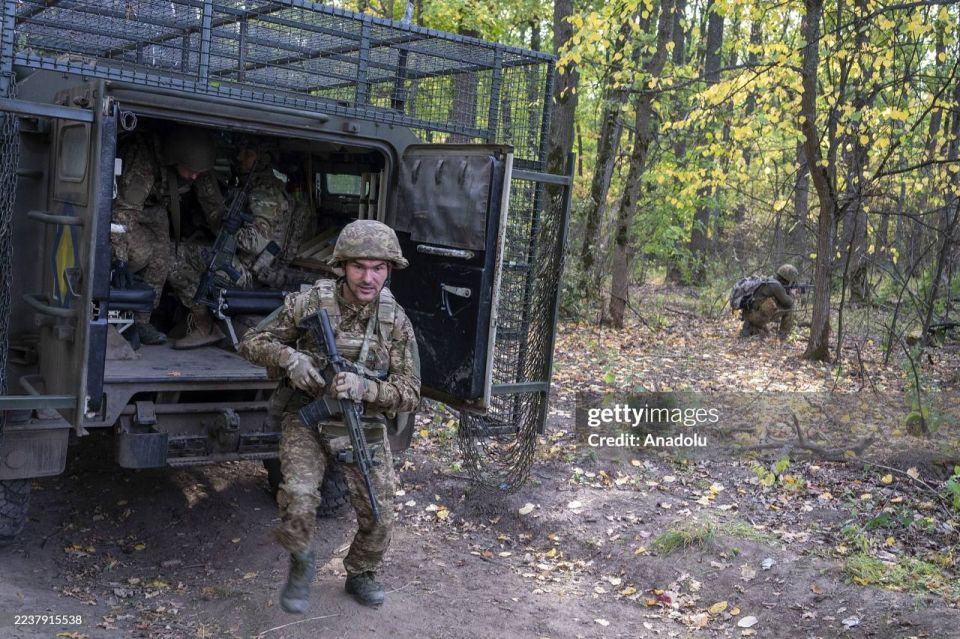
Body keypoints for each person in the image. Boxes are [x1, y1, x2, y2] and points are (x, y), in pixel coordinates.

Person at [238, 220, 420, 612]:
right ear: (342, 266)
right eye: (359, 267)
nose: (368, 277)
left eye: (378, 268)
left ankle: (361, 572)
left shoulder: (395, 321)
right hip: (307, 417)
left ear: (389, 270)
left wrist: (365, 388)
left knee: (379, 511)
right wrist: (291, 358)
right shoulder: (311, 302)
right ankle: (302, 563)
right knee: (299, 498)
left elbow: (410, 394)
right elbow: (251, 342)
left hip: (362, 423)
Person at [167, 136, 290, 349]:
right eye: (241, 151)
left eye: (248, 154)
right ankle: (200, 322)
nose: (240, 157)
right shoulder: (247, 184)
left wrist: (233, 230)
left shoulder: (266, 191)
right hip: (240, 262)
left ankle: (204, 326)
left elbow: (254, 243)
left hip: (250, 273)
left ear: (263, 159)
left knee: (169, 256)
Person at [112, 125, 223, 345]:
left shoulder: (195, 164)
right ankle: (119, 314)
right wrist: (119, 259)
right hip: (128, 209)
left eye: (198, 172)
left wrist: (228, 233)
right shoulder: (142, 160)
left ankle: (142, 320)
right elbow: (124, 213)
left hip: (154, 209)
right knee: (141, 253)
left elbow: (213, 205)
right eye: (190, 170)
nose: (194, 176)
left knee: (163, 259)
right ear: (174, 158)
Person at [738, 263, 798, 339]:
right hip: (756, 316)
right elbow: (788, 302)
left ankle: (752, 327)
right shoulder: (776, 285)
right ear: (788, 278)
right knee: (790, 308)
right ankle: (783, 336)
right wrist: (792, 294)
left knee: (765, 334)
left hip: (749, 314)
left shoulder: (770, 279)